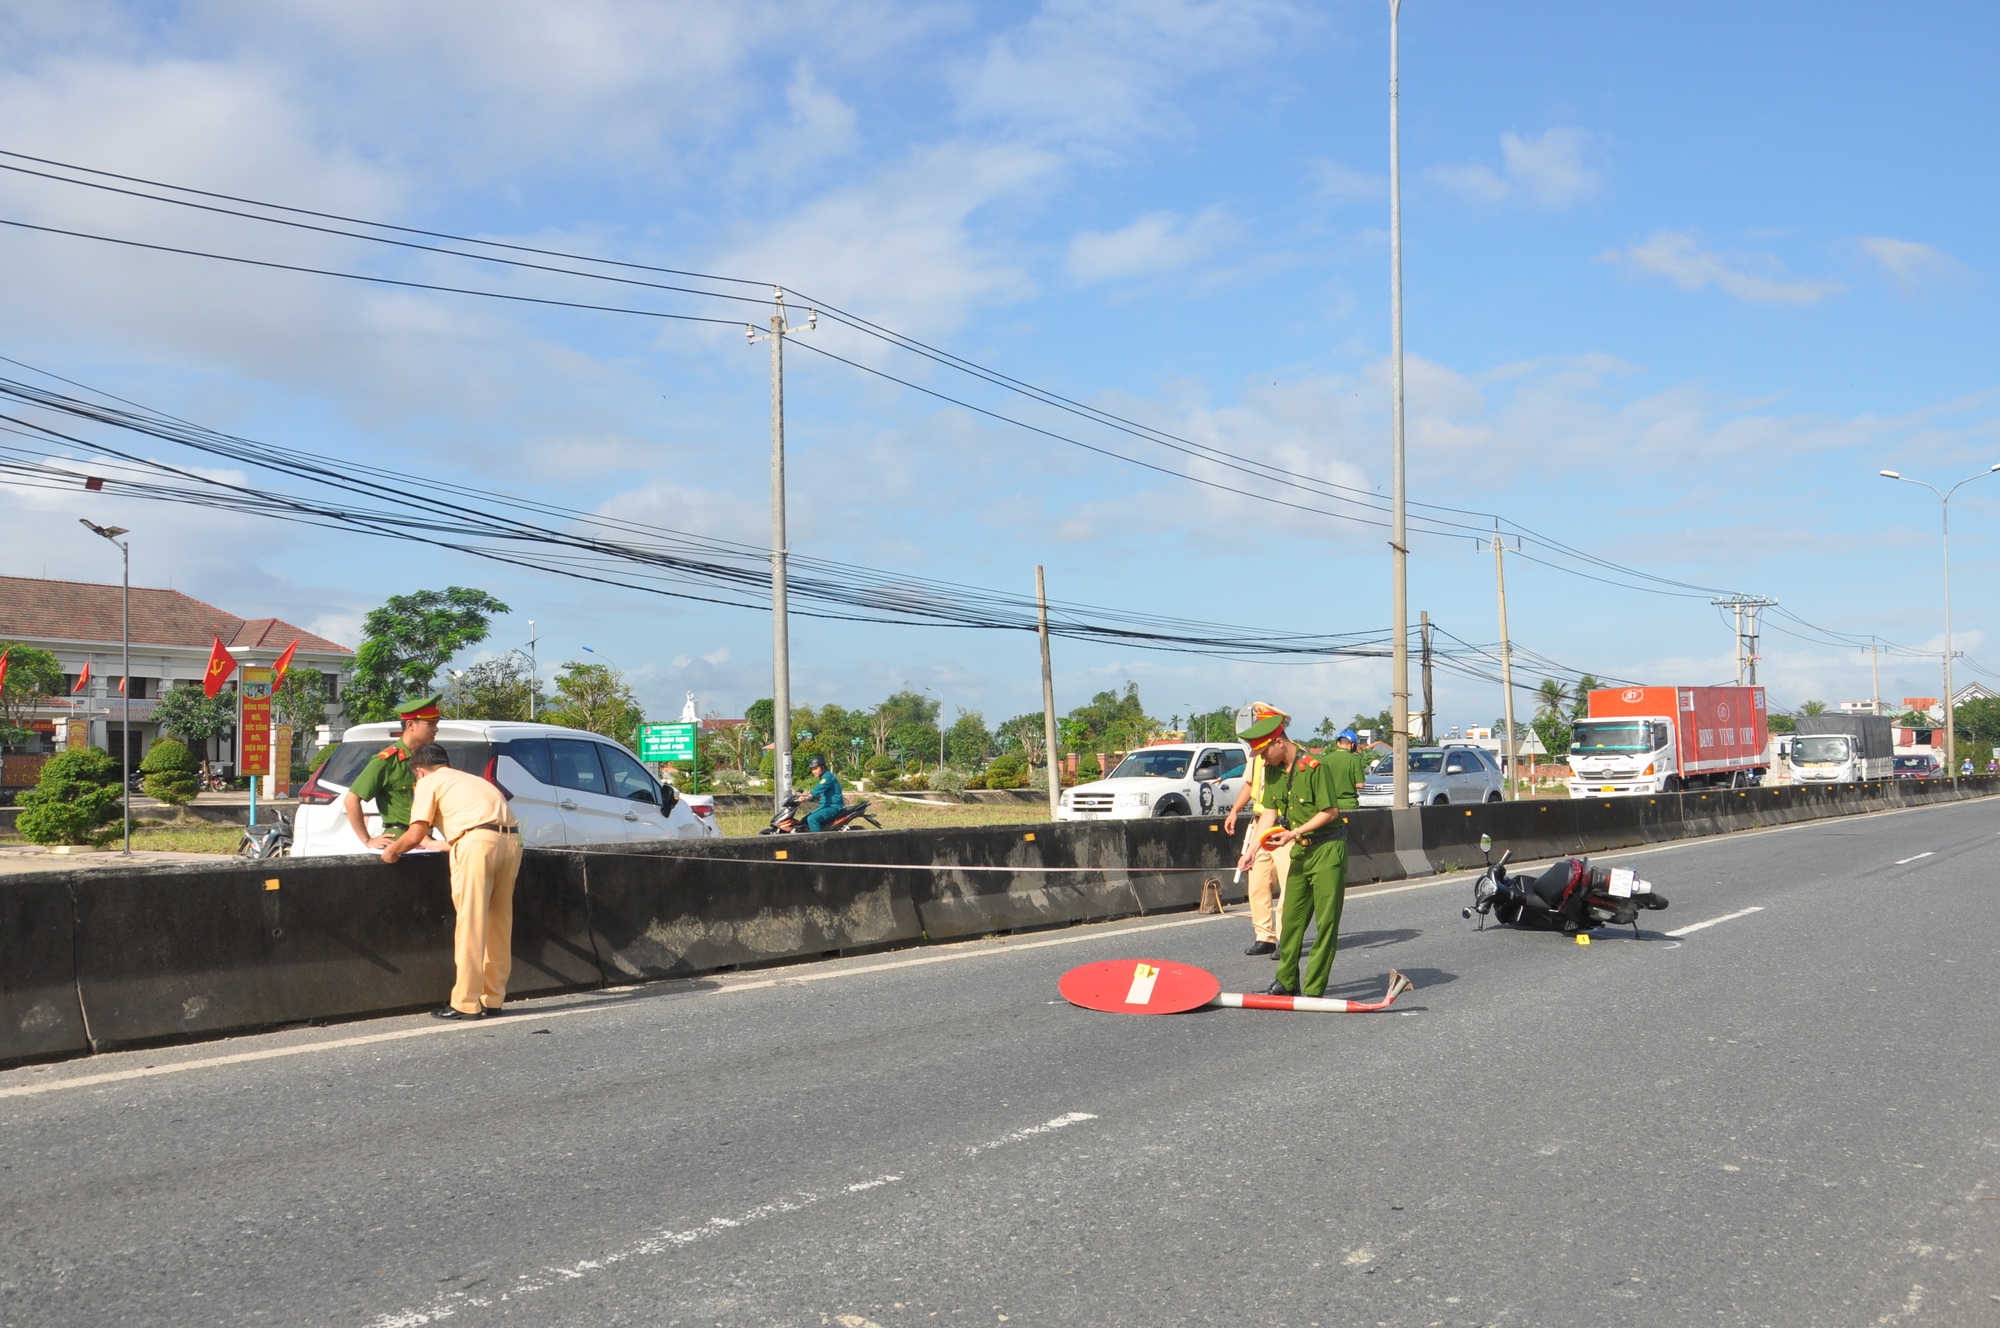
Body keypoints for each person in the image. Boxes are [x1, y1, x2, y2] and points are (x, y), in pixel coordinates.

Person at [380, 742, 523, 1019]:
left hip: (478, 845)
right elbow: (480, 828)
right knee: (500, 922)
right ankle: (493, 999)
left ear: (419, 771)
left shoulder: (429, 782)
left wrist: (390, 851)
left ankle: (466, 1003)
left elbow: (414, 833)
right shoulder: (471, 779)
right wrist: (443, 845)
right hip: (511, 842)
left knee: (471, 922)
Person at [1240, 707, 1362, 998]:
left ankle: (1314, 985)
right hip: (1300, 854)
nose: (1262, 760)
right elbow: (1269, 813)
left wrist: (1294, 833)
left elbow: (1330, 812)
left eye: (1264, 753)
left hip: (1327, 850)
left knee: (1326, 922)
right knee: (1292, 921)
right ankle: (1286, 980)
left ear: (1279, 742)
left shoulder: (1314, 767)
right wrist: (1251, 850)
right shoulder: (1271, 771)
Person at [1225, 701, 1291, 957]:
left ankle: (1287, 938)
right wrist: (1233, 811)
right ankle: (1264, 936)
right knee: (1258, 883)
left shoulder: (1289, 757)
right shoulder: (1259, 754)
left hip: (1284, 827)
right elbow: (1249, 785)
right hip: (1259, 822)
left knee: (1288, 885)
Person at [343, 695, 441, 850]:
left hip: (428, 841)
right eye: (430, 724)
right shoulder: (385, 761)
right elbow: (351, 800)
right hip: (399, 843)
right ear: (410, 725)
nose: (436, 729)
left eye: (436, 724)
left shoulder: (430, 760)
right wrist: (367, 840)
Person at [801, 753, 844, 832]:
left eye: (816, 768)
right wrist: (804, 798)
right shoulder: (822, 777)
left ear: (823, 767)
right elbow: (818, 794)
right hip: (824, 806)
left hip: (833, 807)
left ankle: (819, 842)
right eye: (812, 769)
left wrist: (808, 796)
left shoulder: (828, 777)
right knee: (803, 821)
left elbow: (818, 789)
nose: (814, 771)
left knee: (812, 819)